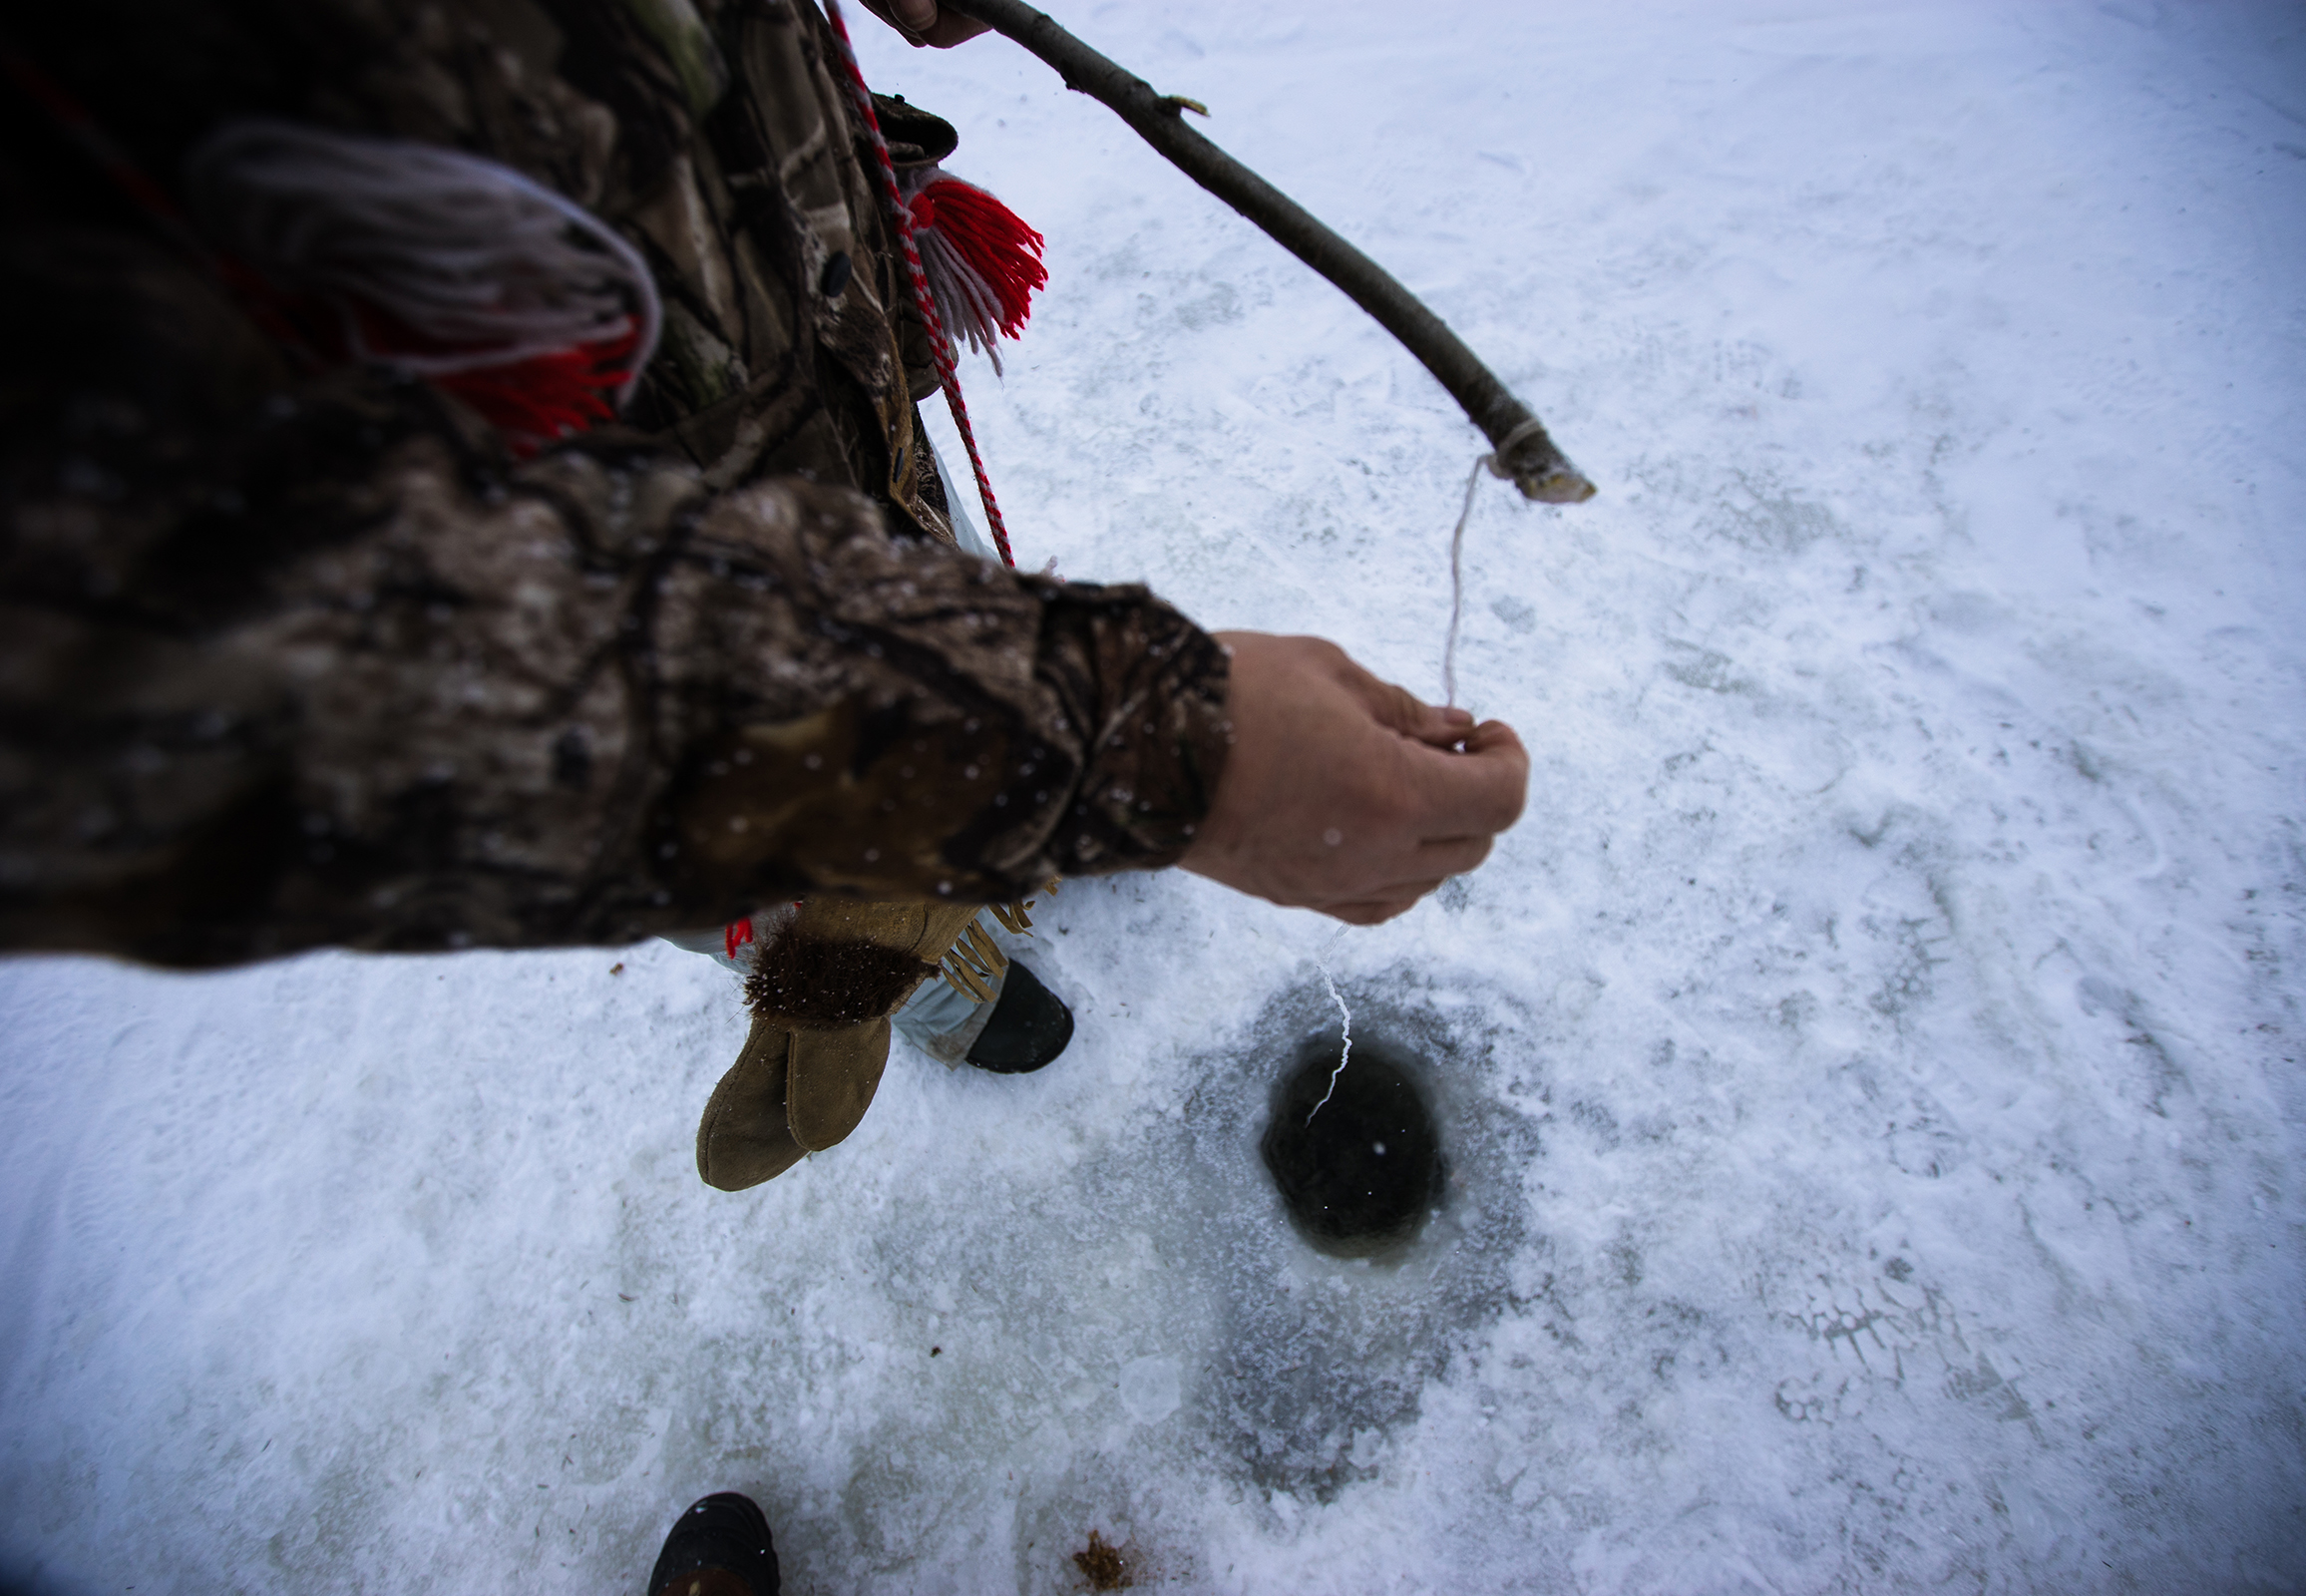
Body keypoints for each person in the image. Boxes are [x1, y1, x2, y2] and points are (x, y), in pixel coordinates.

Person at [0, 0, 1528, 1184]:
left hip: (802, 340)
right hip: (623, 577)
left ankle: (1006, 815)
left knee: (919, 578)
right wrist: (1133, 740)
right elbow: (228, 651)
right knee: (813, 871)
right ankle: (906, 959)